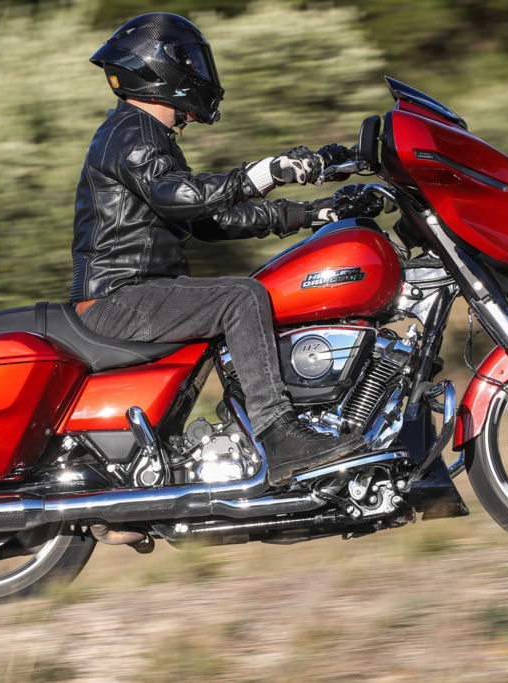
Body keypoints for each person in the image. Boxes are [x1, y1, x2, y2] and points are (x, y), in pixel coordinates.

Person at [71, 12, 380, 485]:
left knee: (250, 290)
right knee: (241, 297)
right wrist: (266, 173)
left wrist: (314, 214)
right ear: (160, 69)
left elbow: (210, 221)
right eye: (190, 62)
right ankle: (278, 435)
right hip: (119, 296)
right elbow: (179, 196)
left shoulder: (145, 134)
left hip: (139, 293)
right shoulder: (129, 132)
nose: (200, 74)